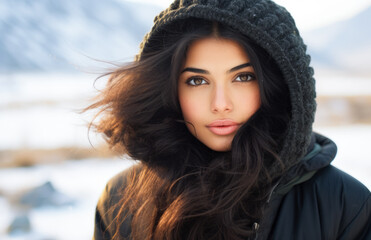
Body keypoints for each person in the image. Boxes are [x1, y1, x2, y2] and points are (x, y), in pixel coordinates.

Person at [88, 0, 370, 239]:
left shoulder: (345, 204)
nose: (220, 104)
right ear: (169, 90)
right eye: (197, 81)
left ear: (279, 85)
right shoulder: (120, 200)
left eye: (243, 77)